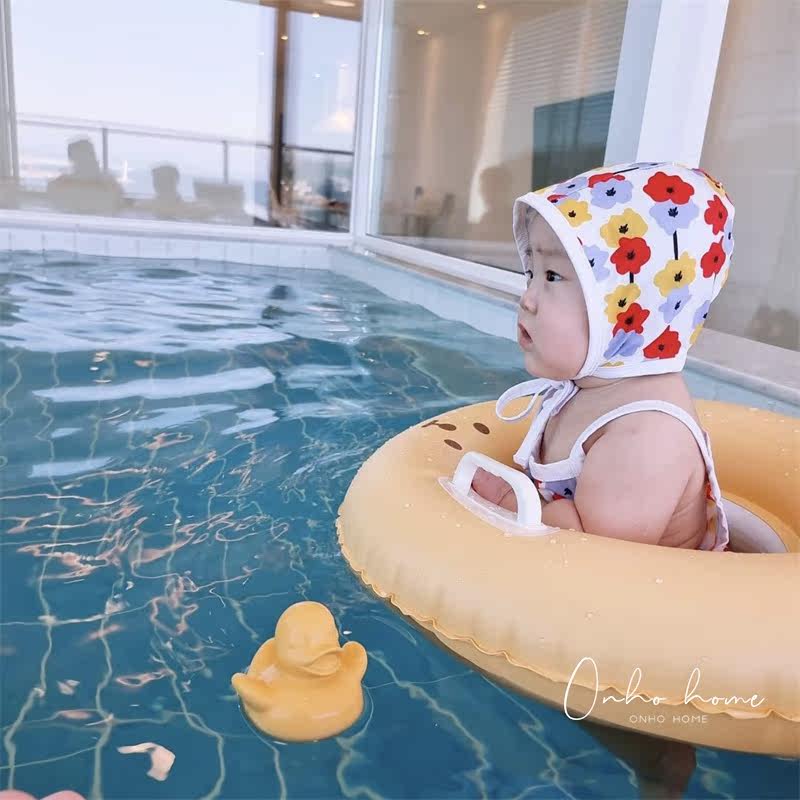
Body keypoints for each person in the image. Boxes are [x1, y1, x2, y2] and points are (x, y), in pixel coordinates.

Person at [471, 161, 734, 550]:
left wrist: (508, 499)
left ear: (628, 303)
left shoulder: (646, 435)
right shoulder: (588, 387)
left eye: (552, 276)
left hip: (640, 586)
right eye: (532, 273)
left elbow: (596, 555)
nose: (526, 299)